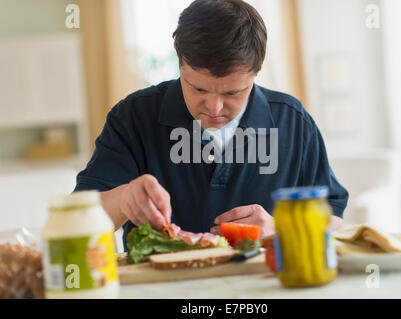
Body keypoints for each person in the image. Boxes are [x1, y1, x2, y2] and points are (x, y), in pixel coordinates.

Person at [74, 0, 348, 249]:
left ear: (257, 70)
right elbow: (78, 221)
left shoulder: (292, 121)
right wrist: (124, 198)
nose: (214, 108)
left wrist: (281, 230)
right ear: (178, 58)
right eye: (198, 89)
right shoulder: (133, 117)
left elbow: (333, 217)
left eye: (232, 93)